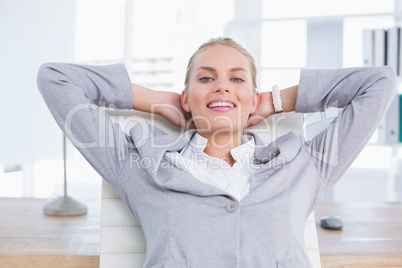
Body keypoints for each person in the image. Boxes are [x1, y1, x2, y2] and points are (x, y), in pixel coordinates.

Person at [37, 37, 396, 267]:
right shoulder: (139, 164)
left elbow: (377, 84)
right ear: (187, 97)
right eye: (206, 79)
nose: (222, 85)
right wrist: (156, 100)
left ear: (252, 98)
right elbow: (55, 78)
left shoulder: (304, 165)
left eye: (237, 79)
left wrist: (274, 100)